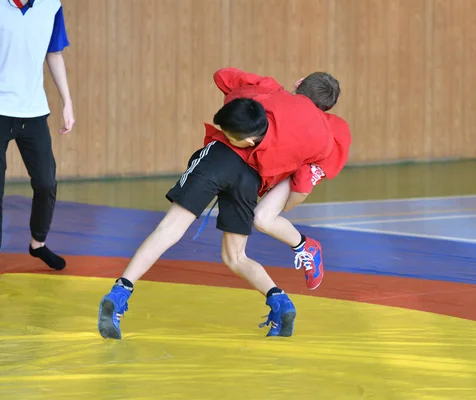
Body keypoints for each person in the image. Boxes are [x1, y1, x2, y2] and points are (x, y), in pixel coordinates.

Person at [97, 70, 337, 340]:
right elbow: (303, 183)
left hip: (220, 159)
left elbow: (223, 76)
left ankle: (120, 292)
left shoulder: (271, 92)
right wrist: (287, 204)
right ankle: (280, 302)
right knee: (236, 257)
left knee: (169, 229)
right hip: (250, 180)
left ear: (300, 83)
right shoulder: (324, 139)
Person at [212, 68, 352, 291]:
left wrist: (286, 205)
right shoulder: (271, 92)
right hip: (270, 165)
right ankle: (303, 245)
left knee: (262, 219)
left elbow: (222, 76)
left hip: (293, 171)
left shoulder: (326, 133)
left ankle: (306, 246)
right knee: (260, 221)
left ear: (299, 83)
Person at [0, 0, 75, 270]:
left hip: (32, 111)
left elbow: (54, 53)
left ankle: (37, 244)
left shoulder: (51, 6)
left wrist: (67, 101)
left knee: (45, 182)